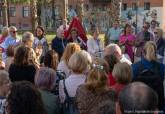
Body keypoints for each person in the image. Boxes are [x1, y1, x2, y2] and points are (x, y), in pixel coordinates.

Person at [132, 41, 164, 109]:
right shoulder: (162, 67)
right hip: (157, 104)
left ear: (143, 53)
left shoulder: (134, 67)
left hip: (139, 104)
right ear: (156, 52)